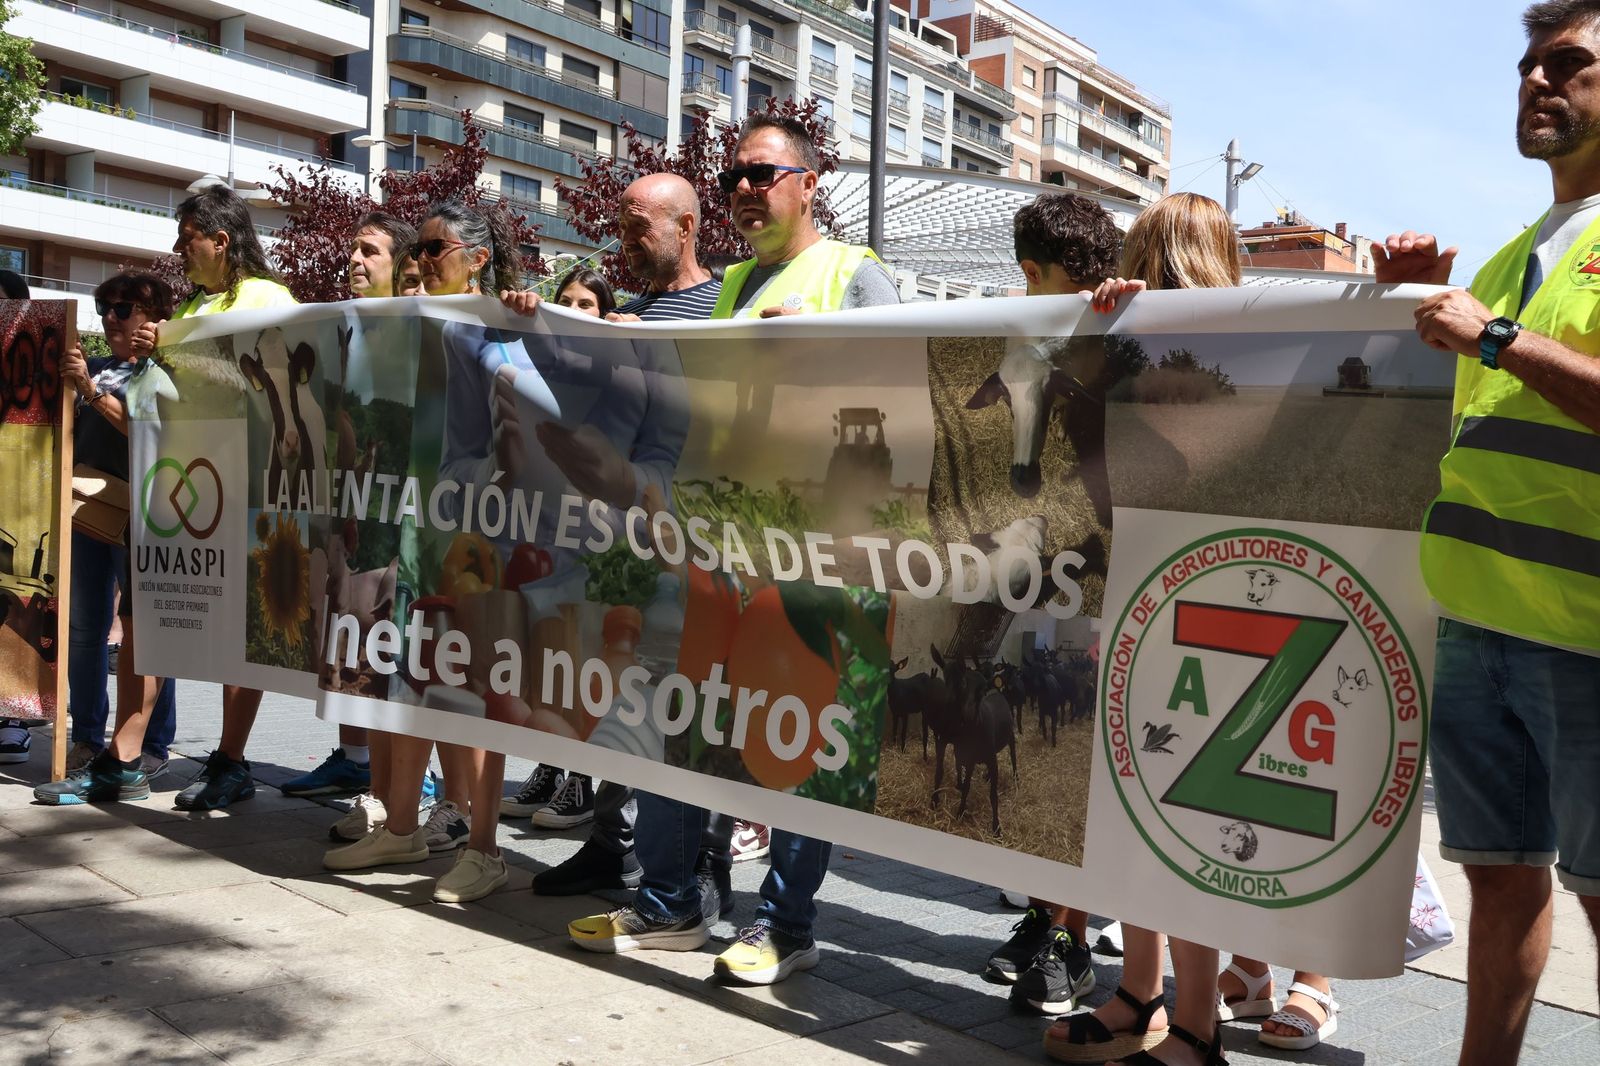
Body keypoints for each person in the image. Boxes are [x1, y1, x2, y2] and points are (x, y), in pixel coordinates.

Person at [568, 114, 899, 986]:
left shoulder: (856, 275)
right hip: (715, 550)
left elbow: (901, 403)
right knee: (683, 723)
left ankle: (785, 925)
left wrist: (814, 356)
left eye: (763, 173)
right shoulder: (727, 292)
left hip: (810, 559)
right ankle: (672, 907)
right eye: (733, 180)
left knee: (797, 740)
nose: (745, 191)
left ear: (808, 182)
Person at [1375, 4, 1600, 1064]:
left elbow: (1505, 362)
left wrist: (1496, 337)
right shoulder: (1512, 252)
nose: (1535, 82)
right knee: (1499, 879)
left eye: (1569, 63)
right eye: (1527, 66)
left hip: (1586, 634)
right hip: (1474, 624)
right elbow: (1464, 415)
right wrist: (1406, 301)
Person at [1044, 193, 1241, 1066]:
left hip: (1194, 605)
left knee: (1176, 814)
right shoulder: (1128, 341)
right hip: (1138, 596)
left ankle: (1194, 1023)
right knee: (1129, 809)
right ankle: (1144, 994)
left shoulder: (1232, 348)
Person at [524, 172, 722, 901]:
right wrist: (528, 320)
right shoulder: (627, 314)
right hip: (623, 549)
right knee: (618, 700)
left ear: (685, 227)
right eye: (622, 222)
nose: (624, 238)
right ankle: (611, 846)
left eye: (638, 225)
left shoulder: (727, 308)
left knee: (685, 718)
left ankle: (699, 869)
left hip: (697, 550)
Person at [324, 201, 528, 902]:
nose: (423, 261)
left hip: (477, 533)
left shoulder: (497, 323)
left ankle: (484, 846)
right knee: (412, 678)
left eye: (436, 250)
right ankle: (405, 825)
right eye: (420, 251)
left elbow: (525, 411)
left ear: (476, 257)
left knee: (479, 692)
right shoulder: (415, 323)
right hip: (415, 530)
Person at [115, 185, 297, 811]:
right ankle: (134, 753)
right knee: (207, 627)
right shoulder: (194, 303)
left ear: (222, 242)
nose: (177, 250)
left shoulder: (269, 299)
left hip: (250, 490)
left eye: (187, 239)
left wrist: (167, 343)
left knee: (244, 636)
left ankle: (233, 758)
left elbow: (263, 380)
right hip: (194, 491)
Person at [980, 192, 1119, 1016]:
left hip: (1100, 559)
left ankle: (1075, 931)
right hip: (1038, 555)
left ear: (1033, 269)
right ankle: (1043, 913)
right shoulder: (1021, 330)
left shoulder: (1122, 327)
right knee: (1037, 721)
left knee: (1077, 741)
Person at [307, 211, 448, 848]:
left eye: (370, 251)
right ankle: (382, 801)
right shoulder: (347, 333)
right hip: (362, 524)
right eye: (352, 250)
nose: (355, 262)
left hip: (414, 528)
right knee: (368, 666)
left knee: (409, 671)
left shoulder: (429, 331)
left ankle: (420, 808)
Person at [31, 272, 181, 803]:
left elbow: (146, 431)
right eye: (104, 308)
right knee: (85, 629)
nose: (111, 318)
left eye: (124, 308)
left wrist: (91, 391)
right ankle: (90, 739)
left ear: (155, 315)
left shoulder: (160, 372)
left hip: (143, 513)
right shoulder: (95, 367)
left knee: (147, 634)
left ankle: (149, 747)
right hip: (87, 511)